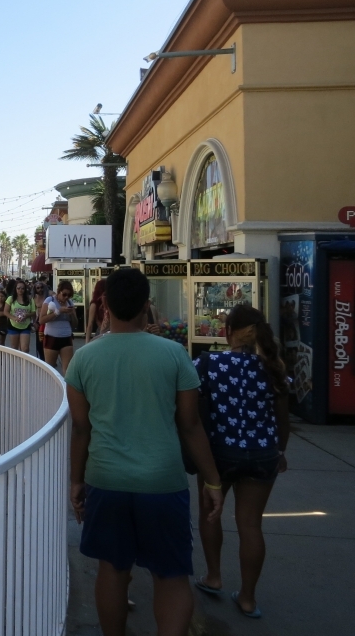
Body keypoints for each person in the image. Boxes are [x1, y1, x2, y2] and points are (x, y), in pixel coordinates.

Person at [66, 268, 224, 636]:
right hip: (162, 481)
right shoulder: (173, 355)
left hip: (105, 479)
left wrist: (76, 481)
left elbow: (80, 429)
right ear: (146, 306)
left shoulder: (84, 360)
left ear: (104, 306)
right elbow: (190, 425)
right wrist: (212, 482)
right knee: (170, 575)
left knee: (113, 569)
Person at [192, 304, 291, 619]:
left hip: (219, 453)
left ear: (227, 332)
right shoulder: (272, 367)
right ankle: (248, 598)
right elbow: (283, 418)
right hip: (262, 453)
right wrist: (279, 451)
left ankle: (213, 575)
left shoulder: (209, 363)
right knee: (250, 524)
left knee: (210, 514)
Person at [39, 280, 78, 372]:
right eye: (64, 294)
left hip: (66, 337)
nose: (66, 297)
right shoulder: (50, 300)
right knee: (50, 369)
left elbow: (75, 324)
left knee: (68, 369)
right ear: (58, 291)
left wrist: (72, 314)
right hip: (51, 337)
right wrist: (58, 312)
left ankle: (65, 386)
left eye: (69, 295)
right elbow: (41, 320)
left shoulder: (70, 303)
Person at [3, 280, 36, 353]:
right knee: (14, 348)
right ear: (15, 289)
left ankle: (23, 363)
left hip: (25, 326)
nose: (20, 290)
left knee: (25, 348)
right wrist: (14, 318)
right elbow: (5, 311)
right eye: (18, 288)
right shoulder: (11, 299)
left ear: (25, 289)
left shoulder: (30, 299)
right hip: (13, 325)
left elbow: (33, 312)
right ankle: (15, 363)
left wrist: (27, 315)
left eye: (22, 288)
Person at [85, 278, 109, 343]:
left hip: (110, 332)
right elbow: (90, 324)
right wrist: (87, 342)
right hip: (101, 332)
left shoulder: (109, 302)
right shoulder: (94, 304)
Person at [33, 280, 50, 361]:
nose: (40, 289)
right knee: (39, 343)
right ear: (35, 289)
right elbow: (33, 311)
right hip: (39, 322)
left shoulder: (49, 295)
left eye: (41, 287)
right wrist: (34, 323)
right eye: (38, 288)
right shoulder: (34, 298)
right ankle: (42, 360)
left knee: (48, 342)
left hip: (48, 321)